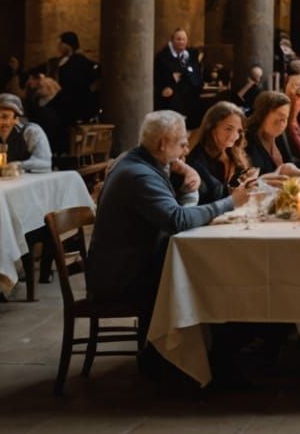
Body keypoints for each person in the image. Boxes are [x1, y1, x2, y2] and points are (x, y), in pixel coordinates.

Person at [87, 110, 252, 321]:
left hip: (129, 265)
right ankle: (193, 346)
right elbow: (178, 220)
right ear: (163, 143)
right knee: (214, 278)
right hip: (121, 277)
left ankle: (198, 344)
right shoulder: (140, 175)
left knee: (212, 272)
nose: (187, 149)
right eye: (183, 144)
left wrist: (185, 171)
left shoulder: (135, 159)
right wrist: (231, 202)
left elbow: (178, 210)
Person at [186, 102, 256, 204]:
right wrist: (235, 193)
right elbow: (210, 196)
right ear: (212, 127)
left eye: (238, 131)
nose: (234, 135)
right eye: (229, 128)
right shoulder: (196, 159)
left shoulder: (235, 156)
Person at [0, 93, 53, 172]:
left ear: (16, 119)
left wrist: (19, 165)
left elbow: (44, 162)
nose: (0, 122)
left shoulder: (31, 132)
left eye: (5, 117)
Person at [242, 90, 300, 177]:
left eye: (285, 118)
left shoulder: (279, 136)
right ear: (263, 115)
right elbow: (254, 178)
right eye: (279, 119)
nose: (283, 124)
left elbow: (290, 161)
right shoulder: (247, 142)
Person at [153, 28, 203, 123]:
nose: (181, 42)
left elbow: (197, 77)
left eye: (183, 39)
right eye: (178, 39)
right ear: (172, 40)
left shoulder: (191, 54)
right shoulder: (162, 57)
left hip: (190, 101)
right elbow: (159, 79)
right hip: (171, 103)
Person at [54, 31, 100, 123]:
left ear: (67, 45)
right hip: (64, 101)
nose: (59, 47)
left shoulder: (80, 61)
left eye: (61, 44)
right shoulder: (59, 61)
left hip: (76, 103)